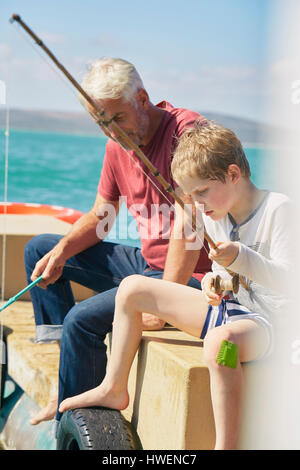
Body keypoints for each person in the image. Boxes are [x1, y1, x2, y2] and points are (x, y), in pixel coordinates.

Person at [58, 122, 293, 450]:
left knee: (219, 345)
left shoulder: (278, 210)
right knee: (133, 288)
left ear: (233, 174)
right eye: (190, 195)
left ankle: (226, 445)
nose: (196, 204)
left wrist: (240, 256)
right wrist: (213, 282)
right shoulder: (214, 212)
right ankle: (114, 387)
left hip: (272, 326)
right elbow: (221, 272)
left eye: (201, 192)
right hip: (233, 310)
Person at [24, 58, 211, 426]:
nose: (111, 132)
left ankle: (78, 419)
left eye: (116, 119)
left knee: (82, 319)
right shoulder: (117, 147)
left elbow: (190, 221)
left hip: (193, 280)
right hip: (147, 267)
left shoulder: (187, 132)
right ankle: (69, 380)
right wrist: (61, 252)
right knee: (42, 250)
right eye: (101, 123)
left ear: (142, 99)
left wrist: (166, 301)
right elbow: (101, 216)